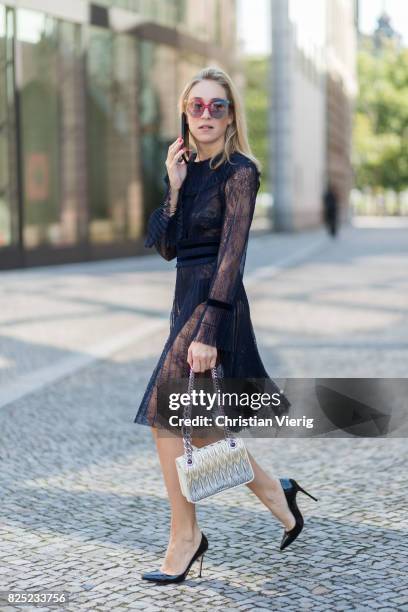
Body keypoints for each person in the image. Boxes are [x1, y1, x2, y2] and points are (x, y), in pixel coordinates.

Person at [134, 66, 317, 584]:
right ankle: (274, 492)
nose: (207, 114)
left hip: (216, 302)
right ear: (185, 113)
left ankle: (185, 537)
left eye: (218, 106)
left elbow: (233, 256)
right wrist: (172, 186)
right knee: (206, 425)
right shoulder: (185, 169)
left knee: (164, 412)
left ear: (232, 113)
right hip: (184, 296)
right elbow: (167, 247)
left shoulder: (241, 172)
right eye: (198, 106)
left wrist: (209, 330)